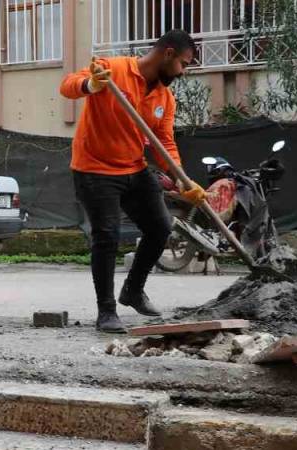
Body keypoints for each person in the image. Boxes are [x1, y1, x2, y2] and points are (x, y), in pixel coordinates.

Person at [59, 29, 208, 333]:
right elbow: (67, 87)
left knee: (161, 226)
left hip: (134, 168)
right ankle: (106, 311)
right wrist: (90, 84)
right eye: (183, 63)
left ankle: (133, 290)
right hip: (95, 170)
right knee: (107, 235)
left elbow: (164, 143)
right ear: (167, 54)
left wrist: (182, 180)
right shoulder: (112, 70)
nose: (182, 71)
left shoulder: (164, 98)